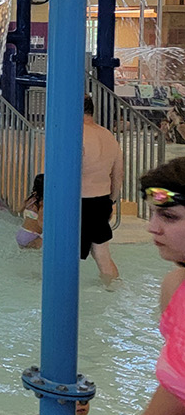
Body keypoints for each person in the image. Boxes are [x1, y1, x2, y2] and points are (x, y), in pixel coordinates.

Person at [108, 159, 185, 415]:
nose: (152, 228)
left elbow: (181, 391)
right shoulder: (175, 287)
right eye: (152, 214)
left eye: (169, 217)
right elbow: (177, 380)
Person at [79, 94, 122, 284]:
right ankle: (112, 289)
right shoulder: (108, 136)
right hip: (102, 200)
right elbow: (118, 175)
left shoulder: (76, 134)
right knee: (102, 254)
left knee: (64, 254)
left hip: (79, 202)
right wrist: (111, 201)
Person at [16, 174, 44, 250]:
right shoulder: (42, 204)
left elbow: (18, 210)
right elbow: (40, 222)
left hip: (21, 233)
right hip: (32, 236)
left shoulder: (31, 199)